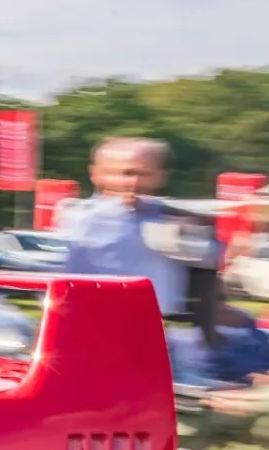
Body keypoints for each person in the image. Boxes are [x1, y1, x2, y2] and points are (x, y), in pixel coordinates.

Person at [57, 137, 224, 369]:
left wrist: (185, 237)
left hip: (160, 331)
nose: (133, 182)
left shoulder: (174, 215)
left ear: (160, 175)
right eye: (124, 173)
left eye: (144, 173)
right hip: (93, 326)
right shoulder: (76, 215)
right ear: (96, 174)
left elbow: (215, 258)